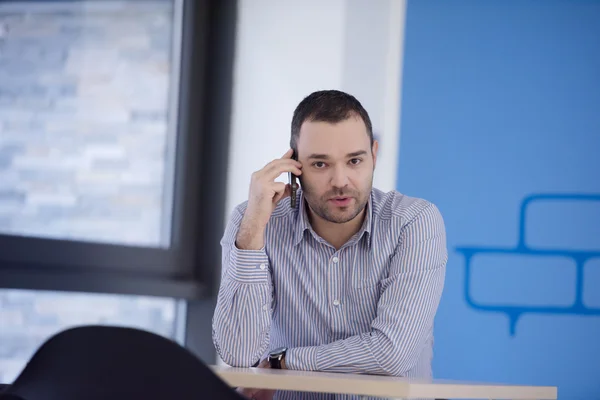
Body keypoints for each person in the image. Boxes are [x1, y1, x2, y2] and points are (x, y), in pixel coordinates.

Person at [212, 90, 447, 400]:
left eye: (354, 160)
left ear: (373, 156)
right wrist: (253, 232)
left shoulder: (413, 222)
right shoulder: (254, 219)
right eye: (321, 164)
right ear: (294, 166)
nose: (340, 180)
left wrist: (284, 361)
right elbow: (239, 353)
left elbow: (392, 353)